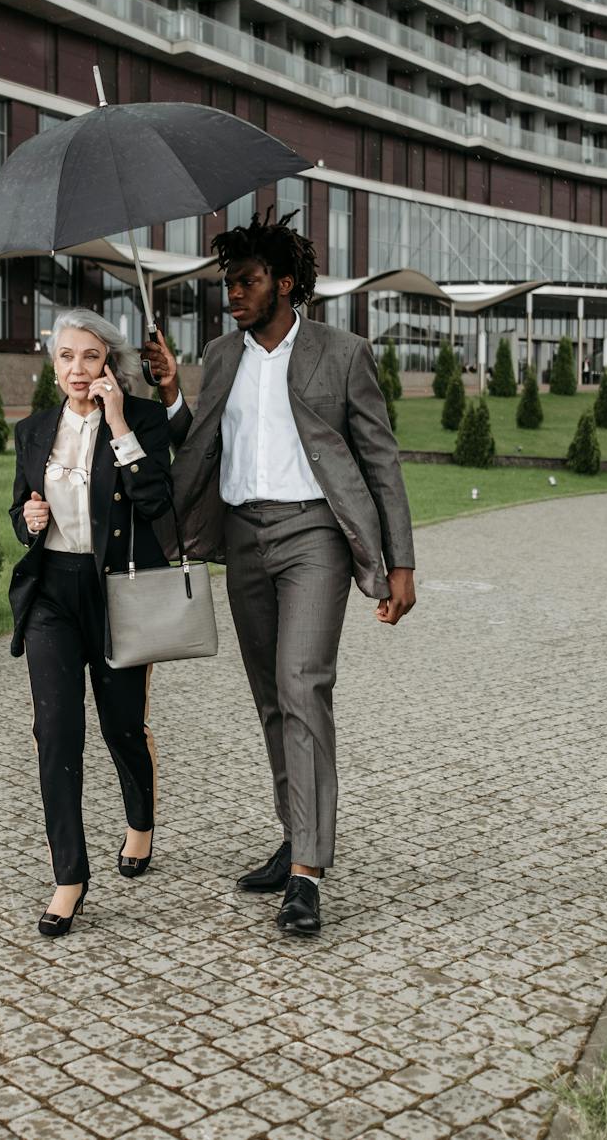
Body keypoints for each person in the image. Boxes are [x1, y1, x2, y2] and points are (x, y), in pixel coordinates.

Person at [141, 211, 416, 937]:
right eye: (228, 282)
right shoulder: (222, 355)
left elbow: (381, 461)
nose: (233, 293)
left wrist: (401, 563)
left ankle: (307, 875)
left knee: (303, 685)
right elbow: (199, 445)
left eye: (247, 280)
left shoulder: (342, 353)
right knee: (270, 696)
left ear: (285, 284)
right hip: (242, 537)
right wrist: (172, 393)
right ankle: (294, 833)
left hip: (312, 536)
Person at [9, 309, 174, 937]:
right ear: (54, 366)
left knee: (122, 726)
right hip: (52, 591)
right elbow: (18, 510)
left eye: (89, 356)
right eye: (65, 357)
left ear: (109, 362)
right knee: (55, 731)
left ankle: (139, 823)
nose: (77, 369)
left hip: (118, 592)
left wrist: (118, 423)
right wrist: (26, 516)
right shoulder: (32, 431)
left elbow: (157, 501)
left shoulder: (143, 419)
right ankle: (69, 876)